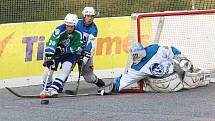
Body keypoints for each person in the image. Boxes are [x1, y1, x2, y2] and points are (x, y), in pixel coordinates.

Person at [101, 43, 211, 93]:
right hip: (165, 80)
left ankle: (201, 77)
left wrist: (181, 59)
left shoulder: (154, 49)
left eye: (135, 55)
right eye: (132, 56)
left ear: (140, 52)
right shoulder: (136, 68)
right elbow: (124, 80)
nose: (133, 58)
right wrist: (111, 87)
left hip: (175, 70)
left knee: (190, 75)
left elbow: (171, 51)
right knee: (174, 84)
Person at [59, 7, 105, 93]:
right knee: (66, 68)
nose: (90, 18)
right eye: (88, 16)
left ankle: (101, 84)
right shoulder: (77, 23)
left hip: (85, 53)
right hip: (74, 51)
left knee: (88, 77)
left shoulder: (93, 29)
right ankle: (59, 87)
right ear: (84, 16)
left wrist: (83, 60)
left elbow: (90, 45)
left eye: (92, 16)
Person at [40, 13, 83, 97]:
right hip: (56, 53)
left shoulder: (79, 33)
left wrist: (65, 50)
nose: (69, 28)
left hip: (69, 55)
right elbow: (52, 42)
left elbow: (77, 47)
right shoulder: (59, 30)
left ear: (75, 25)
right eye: (68, 26)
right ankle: (47, 89)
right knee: (47, 72)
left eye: (71, 26)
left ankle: (53, 89)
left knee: (65, 70)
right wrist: (49, 56)